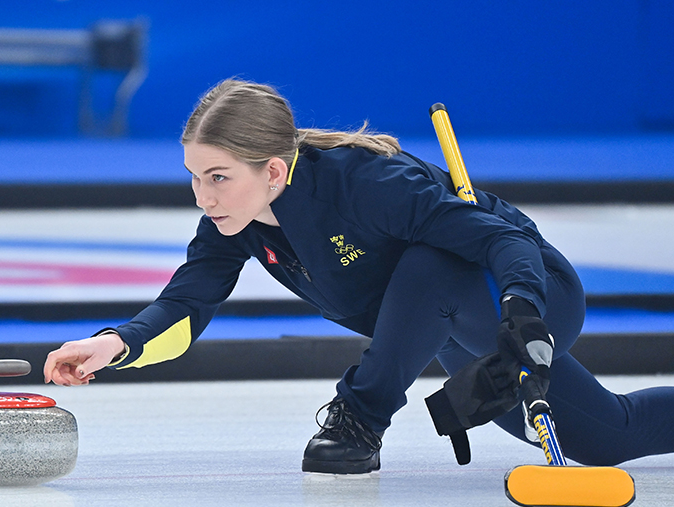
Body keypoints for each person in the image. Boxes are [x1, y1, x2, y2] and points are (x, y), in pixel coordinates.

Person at [43, 79, 674, 474]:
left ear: (272, 170)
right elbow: (188, 302)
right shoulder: (235, 221)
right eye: (194, 176)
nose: (202, 196)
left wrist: (523, 307)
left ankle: (361, 417)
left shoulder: (370, 187)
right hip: (450, 331)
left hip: (525, 297)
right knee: (606, 437)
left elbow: (503, 239)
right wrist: (117, 344)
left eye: (217, 177)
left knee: (430, 259)